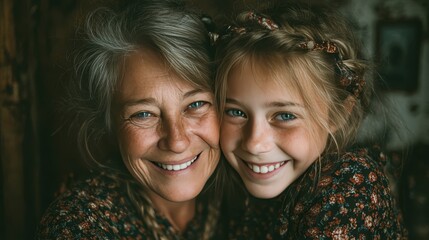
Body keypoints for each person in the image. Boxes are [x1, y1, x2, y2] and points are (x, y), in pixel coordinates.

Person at [214, 1, 407, 239]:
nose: (254, 143)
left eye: (285, 116)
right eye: (236, 112)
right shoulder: (236, 193)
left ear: (337, 115)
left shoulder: (348, 185)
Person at [36, 0, 223, 239]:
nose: (177, 141)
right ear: (110, 123)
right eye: (144, 114)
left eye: (195, 105)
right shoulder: (79, 226)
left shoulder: (250, 197)